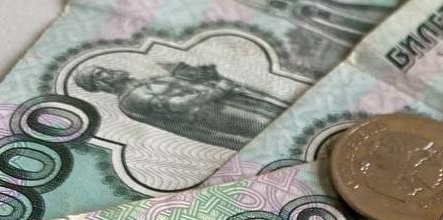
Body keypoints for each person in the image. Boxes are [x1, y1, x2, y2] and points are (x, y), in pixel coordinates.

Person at [72, 62, 289, 150]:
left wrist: (204, 76)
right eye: (99, 75)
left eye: (103, 69)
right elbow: (179, 105)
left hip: (229, 101)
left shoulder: (144, 81)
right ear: (98, 86)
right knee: (272, 129)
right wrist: (219, 89)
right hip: (217, 114)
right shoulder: (131, 98)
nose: (108, 72)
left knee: (281, 116)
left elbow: (187, 86)